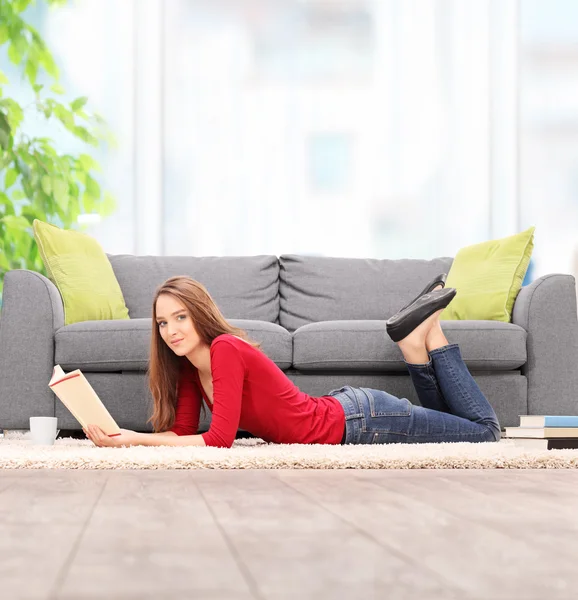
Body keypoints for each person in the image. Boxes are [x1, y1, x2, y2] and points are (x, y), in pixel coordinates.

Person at [83, 275, 501, 448]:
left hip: (360, 420)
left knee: (485, 435)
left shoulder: (226, 349)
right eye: (162, 323)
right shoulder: (189, 366)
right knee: (454, 425)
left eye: (180, 317)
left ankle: (432, 336)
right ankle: (416, 344)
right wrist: (123, 437)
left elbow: (219, 441)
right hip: (348, 410)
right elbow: (183, 435)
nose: (171, 330)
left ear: (200, 314)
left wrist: (132, 438)